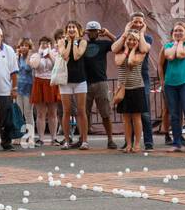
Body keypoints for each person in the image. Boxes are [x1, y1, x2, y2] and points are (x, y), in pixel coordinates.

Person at [115, 14, 156, 150]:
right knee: (126, 116)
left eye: (140, 22)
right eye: (135, 22)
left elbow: (142, 51)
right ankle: (129, 142)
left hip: (140, 79)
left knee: (142, 113)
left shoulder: (146, 38)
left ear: (143, 23)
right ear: (130, 23)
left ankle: (146, 142)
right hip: (124, 84)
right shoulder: (123, 38)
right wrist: (126, 35)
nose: (138, 24)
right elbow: (115, 51)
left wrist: (141, 34)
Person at [161, 21, 185, 152]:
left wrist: (179, 43)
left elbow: (180, 54)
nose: (178, 33)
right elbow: (170, 56)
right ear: (172, 34)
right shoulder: (167, 45)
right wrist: (177, 43)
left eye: (181, 31)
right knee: (174, 114)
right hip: (171, 83)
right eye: (175, 31)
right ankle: (177, 143)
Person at [82, 21, 117, 149]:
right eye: (90, 31)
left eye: (94, 30)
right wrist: (80, 35)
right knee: (83, 113)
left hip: (101, 82)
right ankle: (83, 140)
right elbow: (71, 46)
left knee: (105, 112)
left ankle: (110, 139)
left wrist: (108, 34)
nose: (92, 33)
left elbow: (118, 44)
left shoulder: (103, 44)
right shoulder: (81, 44)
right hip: (84, 83)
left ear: (98, 32)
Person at [55, 21, 89, 150]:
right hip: (65, 81)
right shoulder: (62, 42)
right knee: (66, 111)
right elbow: (64, 55)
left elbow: (76, 56)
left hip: (80, 80)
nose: (71, 29)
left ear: (78, 29)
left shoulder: (83, 42)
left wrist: (74, 41)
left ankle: (84, 140)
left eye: (73, 27)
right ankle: (67, 140)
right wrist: (68, 42)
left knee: (81, 110)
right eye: (69, 27)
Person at [29, 36, 60, 144]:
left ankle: (54, 138)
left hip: (52, 83)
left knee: (53, 113)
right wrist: (40, 54)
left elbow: (57, 65)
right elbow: (34, 65)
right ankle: (41, 138)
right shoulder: (35, 55)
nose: (45, 45)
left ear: (50, 45)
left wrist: (50, 53)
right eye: (42, 43)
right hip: (39, 83)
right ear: (39, 45)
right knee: (40, 113)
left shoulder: (55, 54)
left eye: (47, 43)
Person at [15, 38, 35, 146]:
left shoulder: (32, 58)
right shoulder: (17, 57)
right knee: (19, 113)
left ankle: (31, 137)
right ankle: (19, 136)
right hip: (18, 88)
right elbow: (14, 69)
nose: (23, 47)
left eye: (26, 45)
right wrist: (16, 56)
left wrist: (28, 55)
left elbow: (28, 67)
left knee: (28, 113)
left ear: (30, 47)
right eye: (21, 45)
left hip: (28, 88)